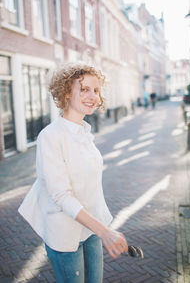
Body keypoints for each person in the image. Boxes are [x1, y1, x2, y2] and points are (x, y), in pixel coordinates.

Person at [18, 62, 128, 283]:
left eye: (96, 90)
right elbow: (61, 195)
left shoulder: (85, 132)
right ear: (67, 93)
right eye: (84, 89)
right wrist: (104, 231)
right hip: (65, 233)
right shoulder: (51, 136)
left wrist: (100, 228)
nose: (92, 96)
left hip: (91, 229)